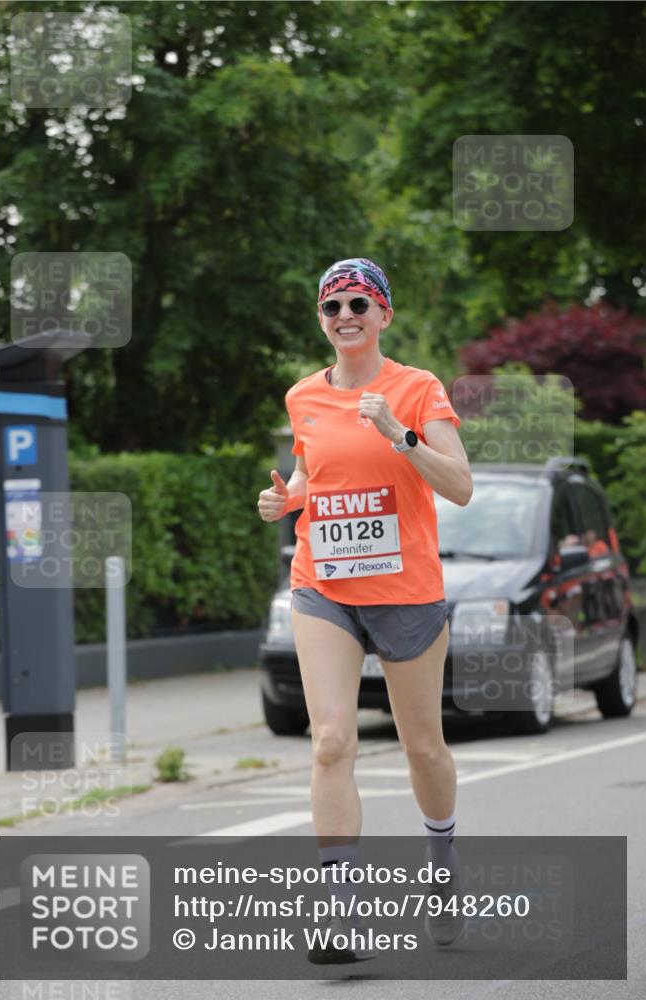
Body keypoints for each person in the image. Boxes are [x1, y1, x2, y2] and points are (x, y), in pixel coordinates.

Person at [257, 258, 473, 963]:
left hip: (405, 590)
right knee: (329, 742)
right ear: (321, 319)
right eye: (332, 306)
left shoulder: (417, 388)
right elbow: (309, 474)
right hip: (323, 585)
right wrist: (285, 498)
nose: (345, 315)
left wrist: (399, 434)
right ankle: (342, 915)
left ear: (383, 314)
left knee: (422, 747)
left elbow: (460, 486)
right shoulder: (303, 396)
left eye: (358, 303)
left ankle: (441, 864)